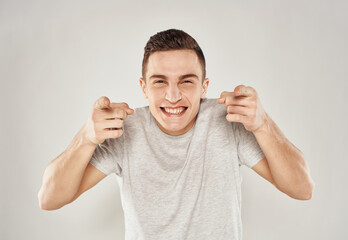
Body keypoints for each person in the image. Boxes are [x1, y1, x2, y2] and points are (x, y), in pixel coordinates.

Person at [38, 29, 315, 239]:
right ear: (143, 87)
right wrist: (85, 137)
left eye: (186, 81)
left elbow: (303, 189)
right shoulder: (125, 130)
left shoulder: (228, 122)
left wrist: (263, 124)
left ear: (205, 86)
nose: (173, 96)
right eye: (160, 81)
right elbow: (49, 198)